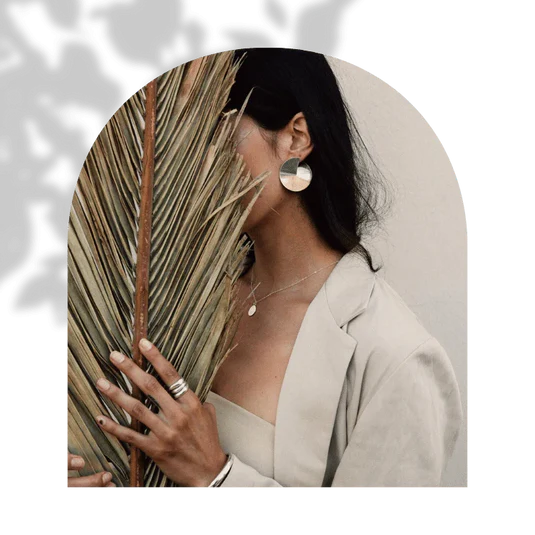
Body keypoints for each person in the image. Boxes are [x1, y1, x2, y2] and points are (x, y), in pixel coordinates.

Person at [64, 47, 463, 490]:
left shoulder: (396, 358)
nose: (188, 165)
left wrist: (217, 475)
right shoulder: (178, 295)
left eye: (211, 130)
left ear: (296, 138)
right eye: (181, 138)